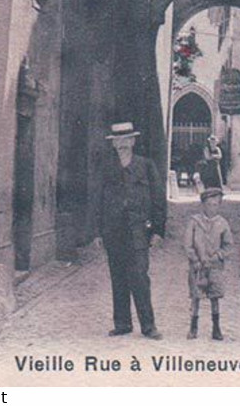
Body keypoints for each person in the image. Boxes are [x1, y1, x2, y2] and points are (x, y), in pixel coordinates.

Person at [91, 121, 165, 340]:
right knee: (118, 278)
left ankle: (148, 326)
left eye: (126, 140)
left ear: (133, 141)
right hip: (113, 232)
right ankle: (122, 323)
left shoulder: (146, 166)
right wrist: (97, 232)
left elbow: (158, 199)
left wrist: (159, 230)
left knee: (140, 277)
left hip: (138, 231)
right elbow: (97, 200)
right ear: (113, 145)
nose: (122, 144)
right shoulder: (106, 167)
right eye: (117, 141)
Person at [184, 186, 233, 341]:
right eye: (209, 204)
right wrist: (195, 259)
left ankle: (216, 327)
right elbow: (187, 244)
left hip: (215, 266)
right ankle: (193, 326)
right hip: (198, 265)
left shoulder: (222, 223)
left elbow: (228, 245)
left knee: (215, 296)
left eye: (216, 204)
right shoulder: (194, 222)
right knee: (196, 296)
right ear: (203, 205)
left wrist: (219, 255)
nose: (213, 208)